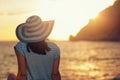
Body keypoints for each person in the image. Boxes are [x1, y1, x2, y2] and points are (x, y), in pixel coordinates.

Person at [7, 15, 61, 80]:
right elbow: (55, 74)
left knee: (11, 76)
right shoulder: (54, 48)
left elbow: (22, 74)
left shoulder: (21, 46)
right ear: (43, 31)